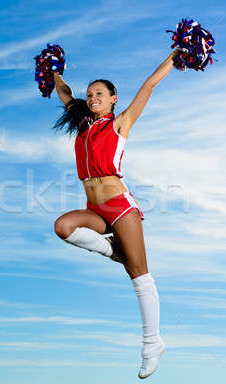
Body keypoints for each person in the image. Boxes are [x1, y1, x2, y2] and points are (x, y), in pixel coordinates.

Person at [52, 49, 178, 378]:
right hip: (94, 209)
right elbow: (65, 94)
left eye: (99, 94)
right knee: (63, 226)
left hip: (121, 207)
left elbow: (149, 85)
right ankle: (113, 249)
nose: (93, 97)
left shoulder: (120, 123)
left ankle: (153, 342)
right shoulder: (81, 126)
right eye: (89, 94)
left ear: (112, 99)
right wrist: (55, 74)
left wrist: (175, 55)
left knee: (138, 274)